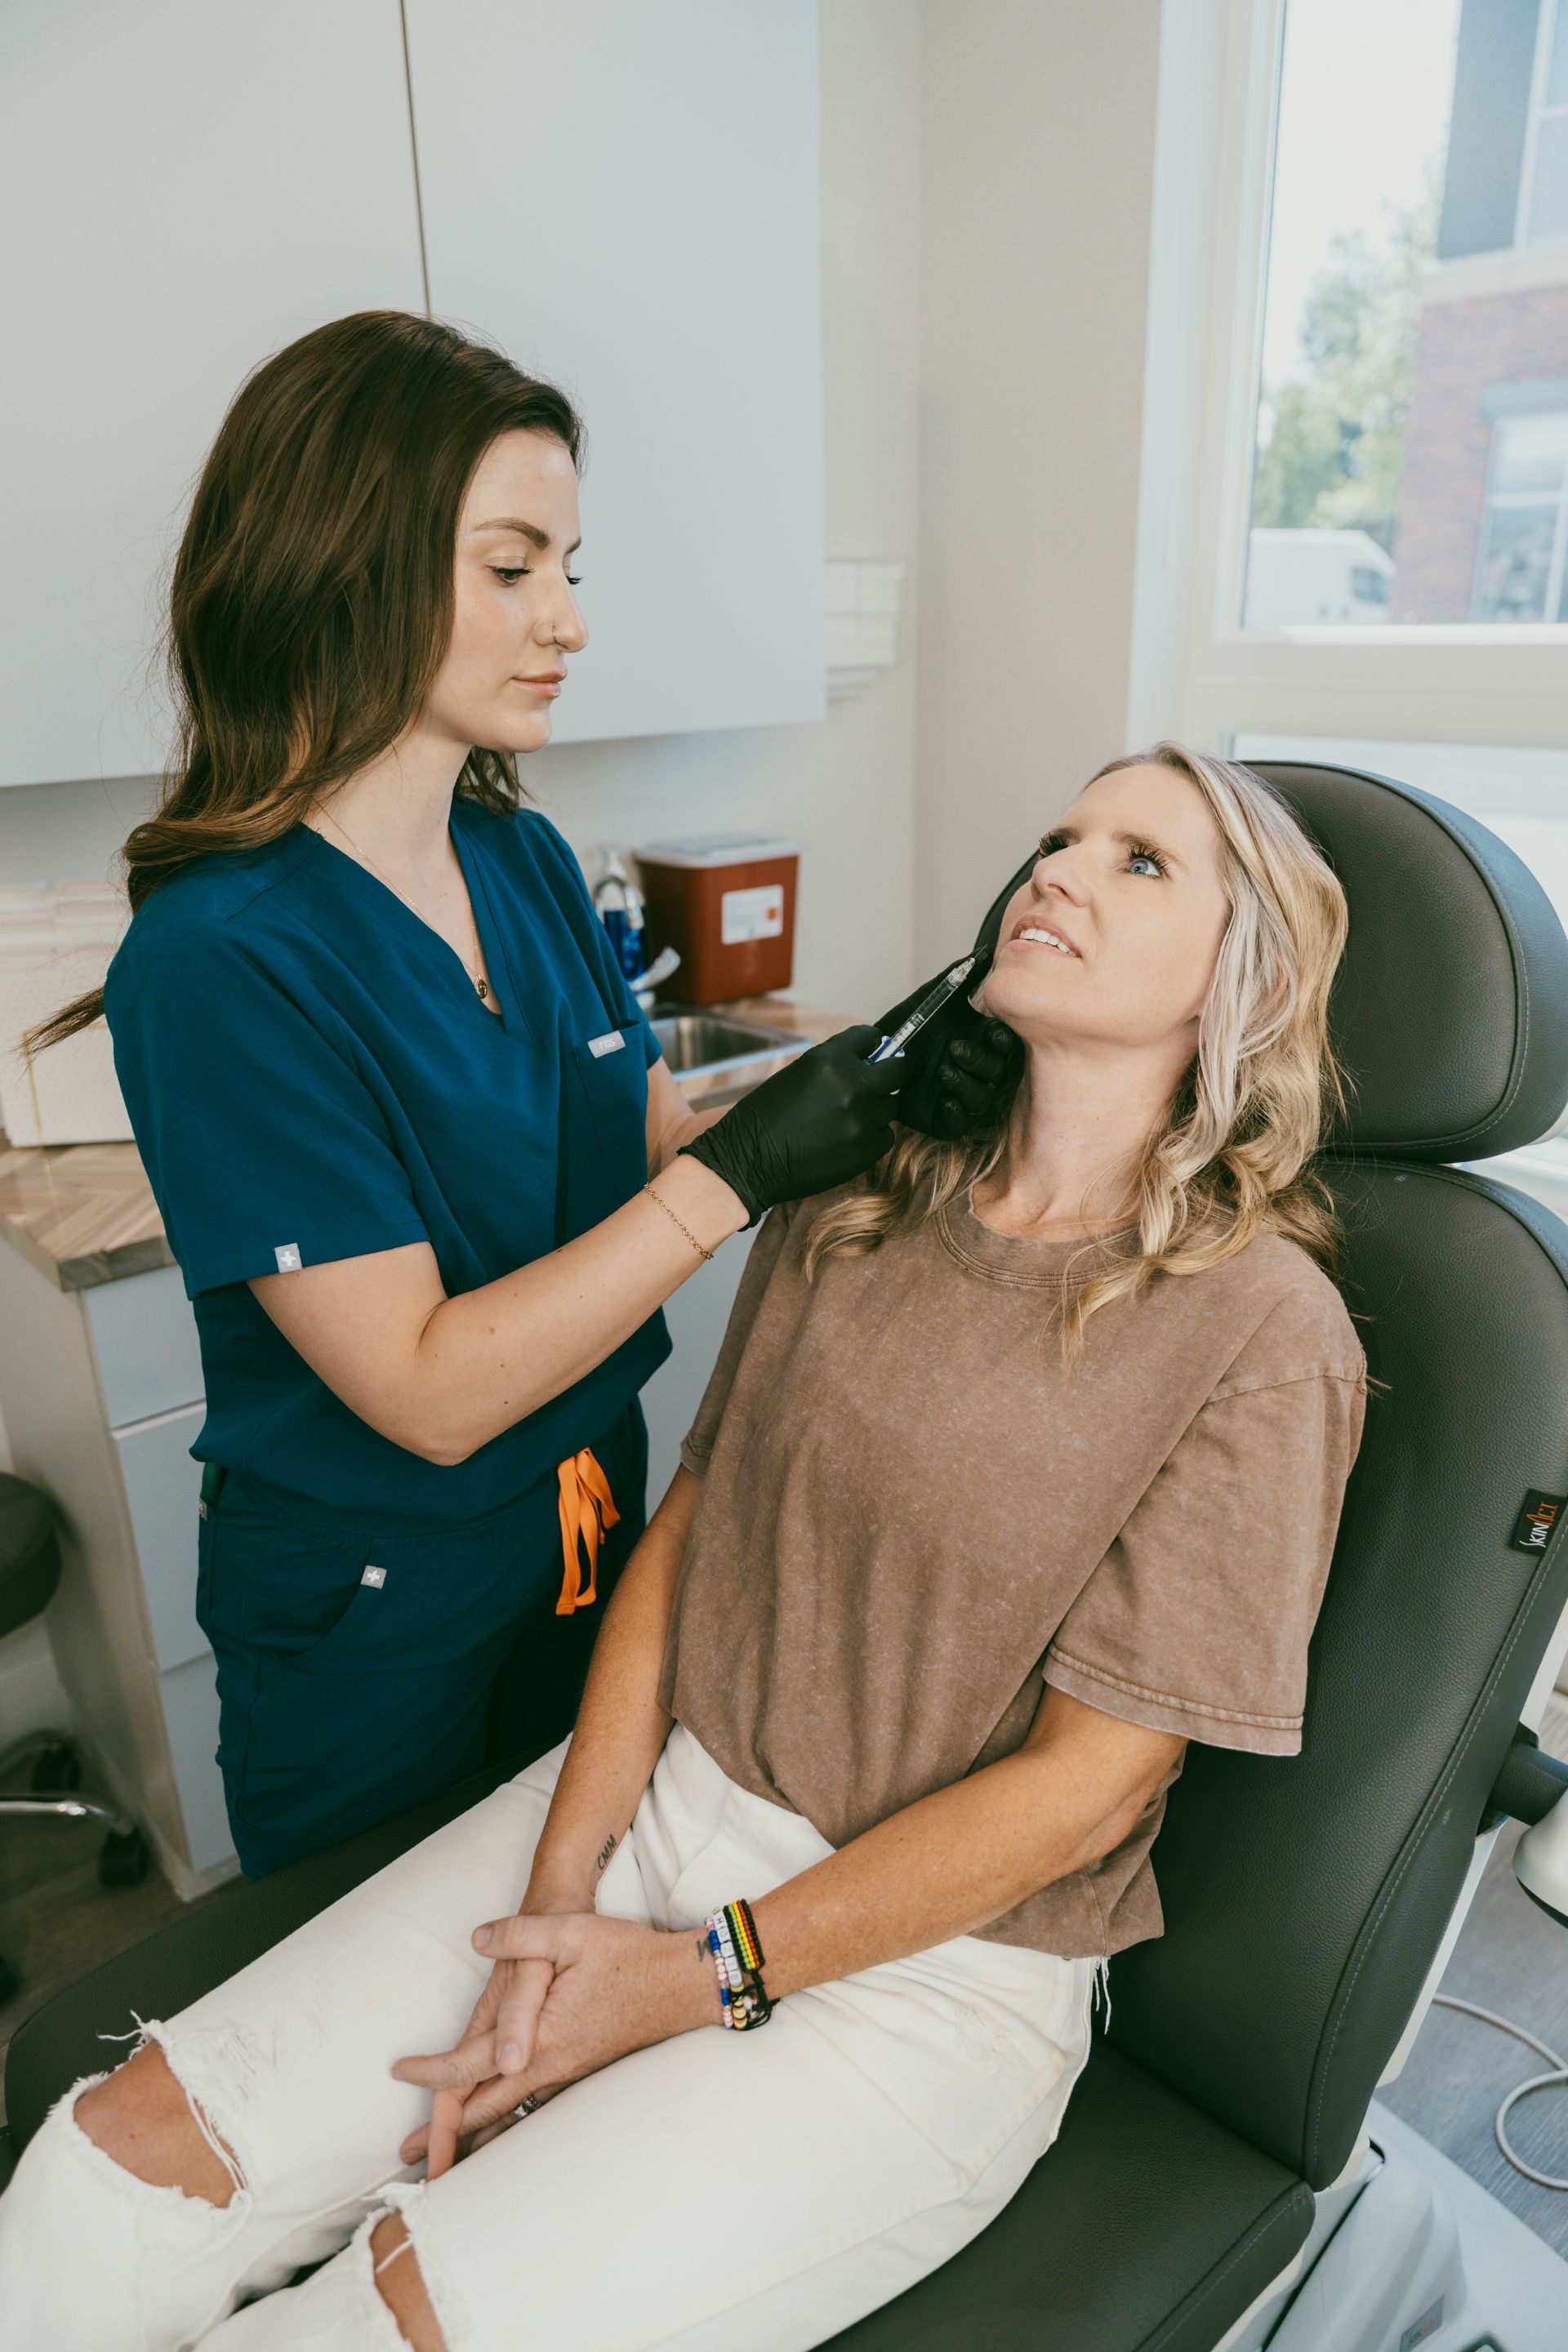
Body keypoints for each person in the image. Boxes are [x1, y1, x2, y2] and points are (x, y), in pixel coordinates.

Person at [0, 746, 1368, 2352]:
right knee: (94, 2194)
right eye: (1061, 832)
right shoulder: (864, 1198)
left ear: (1242, 980)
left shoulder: (1262, 1329)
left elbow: (1097, 1787)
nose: (1059, 867)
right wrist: (562, 1879)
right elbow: (696, 1527)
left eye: (1142, 862)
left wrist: (682, 1980)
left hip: (928, 1975)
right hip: (659, 1807)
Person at [26, 310, 1010, 1879]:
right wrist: (745, 1168)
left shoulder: (523, 857)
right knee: (377, 1995)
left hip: (584, 1516)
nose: (566, 618)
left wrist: (856, 1099)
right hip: (375, 1597)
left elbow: (625, 1167)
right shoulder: (221, 959)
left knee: (571, 1915)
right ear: (343, 564)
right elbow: (423, 1387)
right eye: (510, 567)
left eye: (571, 566)